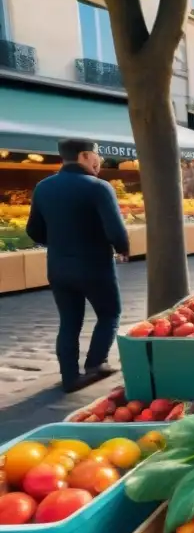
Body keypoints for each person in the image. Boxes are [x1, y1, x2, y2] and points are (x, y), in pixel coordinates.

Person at [26, 139, 125, 393]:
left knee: (69, 321)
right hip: (95, 265)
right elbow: (115, 230)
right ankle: (96, 364)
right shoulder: (99, 187)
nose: (99, 161)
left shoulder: (43, 188)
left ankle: (70, 378)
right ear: (84, 155)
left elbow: (33, 230)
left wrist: (60, 242)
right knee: (109, 313)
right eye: (96, 155)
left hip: (58, 266)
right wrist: (123, 249)